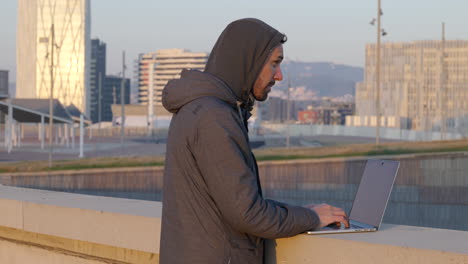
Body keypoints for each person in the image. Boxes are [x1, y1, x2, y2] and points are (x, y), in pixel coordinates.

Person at [160, 18, 348, 264]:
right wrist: (312, 218)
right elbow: (248, 213)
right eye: (274, 64)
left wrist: (303, 213)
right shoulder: (213, 117)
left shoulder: (203, 109)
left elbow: (235, 202)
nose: (279, 76)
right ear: (248, 62)